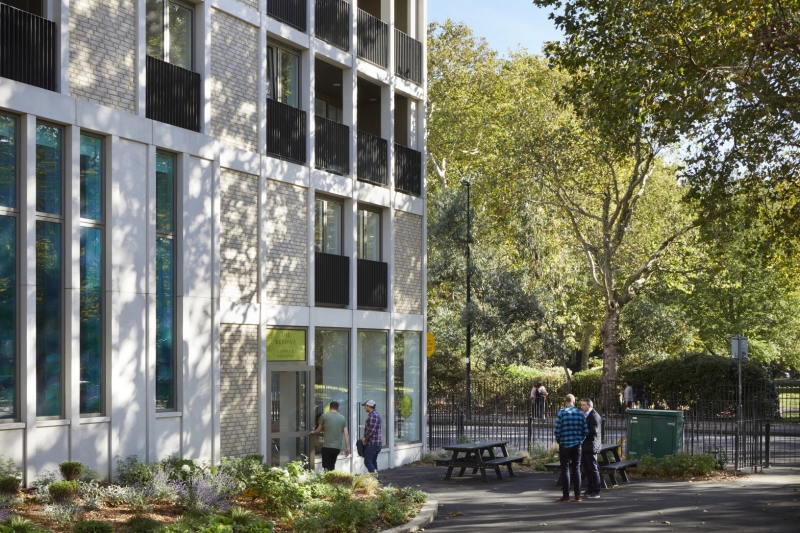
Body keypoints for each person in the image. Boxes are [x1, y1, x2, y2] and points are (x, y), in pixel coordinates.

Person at [554, 394, 588, 502]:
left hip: (565, 444)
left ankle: (566, 495)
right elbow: (585, 431)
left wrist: (559, 440)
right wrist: (580, 440)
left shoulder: (562, 413)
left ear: (565, 401)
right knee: (577, 469)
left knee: (565, 469)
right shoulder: (580, 413)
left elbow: (557, 430)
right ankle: (578, 495)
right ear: (574, 401)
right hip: (577, 445)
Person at [310, 401, 350, 471]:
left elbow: (318, 430)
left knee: (326, 468)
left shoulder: (324, 416)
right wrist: (347, 447)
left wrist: (313, 432)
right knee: (332, 466)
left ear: (329, 408)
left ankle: (327, 481)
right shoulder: (342, 418)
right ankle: (332, 480)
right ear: (338, 408)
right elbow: (346, 434)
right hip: (337, 448)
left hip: (327, 446)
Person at [580, 398, 602, 499]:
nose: (581, 407)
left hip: (592, 445)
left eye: (583, 405)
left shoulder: (594, 416)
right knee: (587, 468)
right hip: (586, 445)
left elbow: (594, 431)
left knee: (593, 468)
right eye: (581, 405)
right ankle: (590, 488)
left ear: (589, 406)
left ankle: (596, 490)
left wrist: (582, 433)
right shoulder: (586, 415)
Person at [361, 399, 382, 473]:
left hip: (372, 443)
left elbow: (371, 429)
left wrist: (365, 438)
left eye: (365, 406)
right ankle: (376, 481)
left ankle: (376, 479)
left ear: (369, 406)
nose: (364, 408)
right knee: (373, 462)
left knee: (368, 461)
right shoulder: (375, 415)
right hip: (376, 443)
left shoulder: (373, 415)